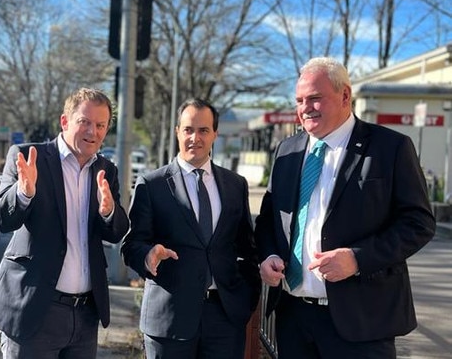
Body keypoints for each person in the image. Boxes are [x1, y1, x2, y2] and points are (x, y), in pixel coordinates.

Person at [255, 57, 436, 358]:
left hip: (361, 323)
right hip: (293, 318)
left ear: (344, 96)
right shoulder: (287, 150)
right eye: (300, 100)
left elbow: (419, 223)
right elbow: (269, 219)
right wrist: (270, 255)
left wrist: (357, 259)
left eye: (315, 98)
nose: (305, 108)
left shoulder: (390, 148)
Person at [0, 87, 130, 359]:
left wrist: (109, 211)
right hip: (35, 311)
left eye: (100, 125)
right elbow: (0, 220)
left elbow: (117, 231)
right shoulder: (28, 157)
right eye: (84, 122)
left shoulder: (106, 170)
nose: (93, 132)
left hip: (85, 315)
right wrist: (24, 192)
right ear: (65, 122)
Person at [121, 98, 260, 359]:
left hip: (224, 319)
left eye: (203, 130)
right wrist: (148, 256)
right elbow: (132, 246)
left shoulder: (235, 185)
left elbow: (247, 248)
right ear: (177, 131)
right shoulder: (152, 184)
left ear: (215, 134)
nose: (195, 137)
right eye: (188, 129)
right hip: (170, 320)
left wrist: (245, 296)